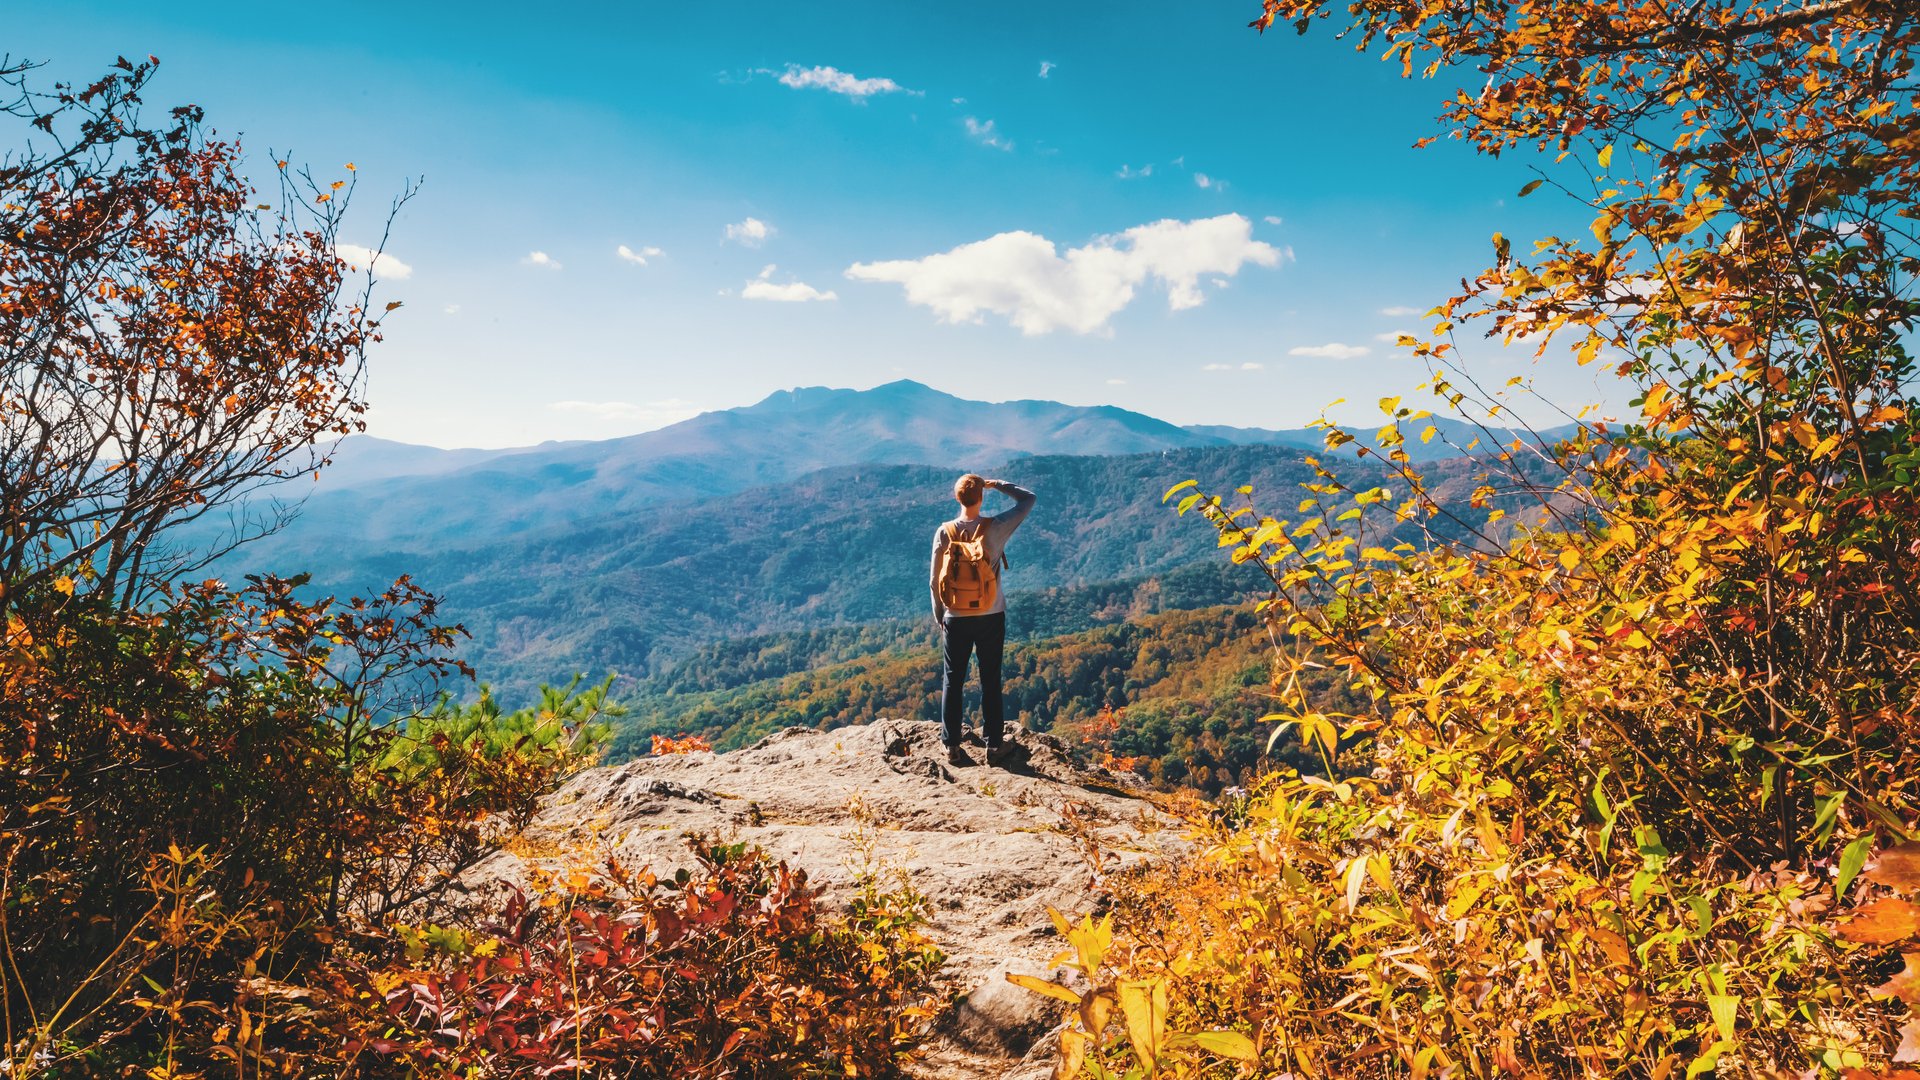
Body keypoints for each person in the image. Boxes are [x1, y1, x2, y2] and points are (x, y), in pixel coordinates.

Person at [930, 474, 1036, 766]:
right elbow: (1029, 499)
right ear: (981, 497)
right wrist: (998, 484)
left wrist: (942, 616)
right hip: (991, 614)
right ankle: (994, 746)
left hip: (956, 617)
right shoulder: (997, 527)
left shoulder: (944, 532)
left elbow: (933, 581)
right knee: (990, 679)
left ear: (956, 498)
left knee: (953, 680)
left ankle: (951, 745)